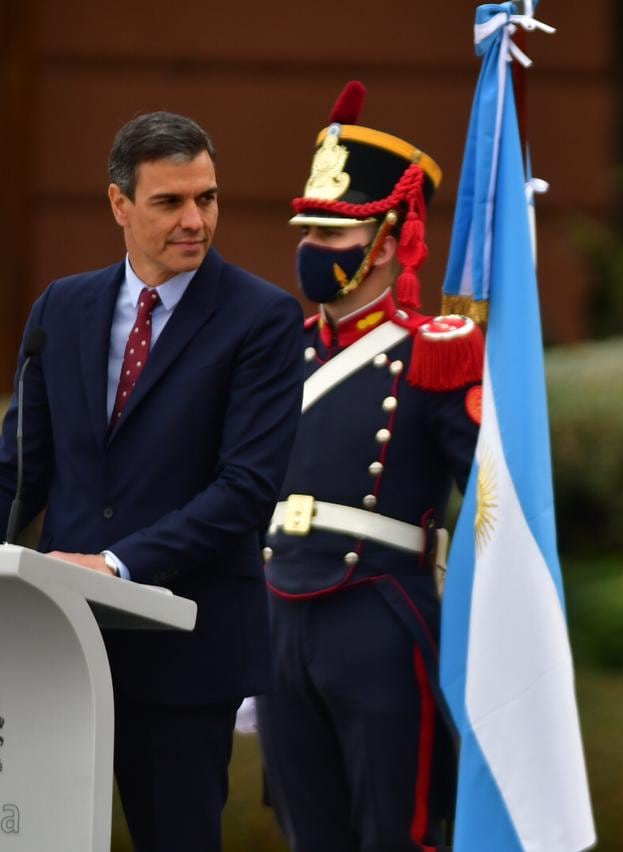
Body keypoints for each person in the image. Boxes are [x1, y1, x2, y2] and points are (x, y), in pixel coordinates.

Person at [0, 111, 303, 851]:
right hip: (50, 644)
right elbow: (19, 469)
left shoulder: (262, 320)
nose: (195, 220)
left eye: (207, 198)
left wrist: (114, 565)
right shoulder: (60, 310)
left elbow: (246, 488)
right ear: (119, 204)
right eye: (170, 202)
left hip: (186, 649)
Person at [255, 81, 483, 851]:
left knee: (398, 831)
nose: (311, 250)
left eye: (334, 236)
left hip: (379, 608)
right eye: (310, 230)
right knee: (305, 829)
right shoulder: (277, 353)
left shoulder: (438, 351)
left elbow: (492, 496)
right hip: (280, 608)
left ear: (386, 243)